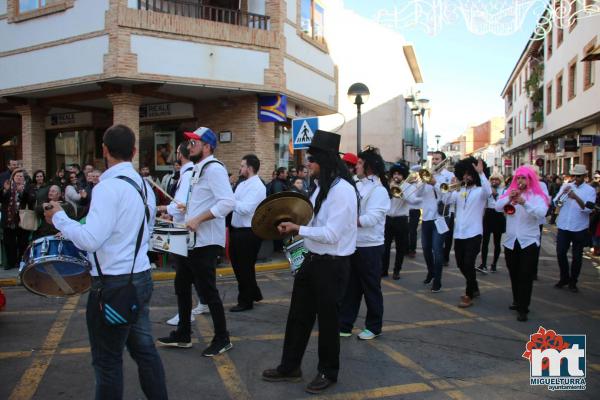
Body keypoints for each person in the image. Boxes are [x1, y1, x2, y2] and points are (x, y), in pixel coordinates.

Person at [44, 124, 167, 400]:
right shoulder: (144, 185)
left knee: (108, 361)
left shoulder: (107, 188)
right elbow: (146, 230)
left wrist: (60, 218)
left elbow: (90, 240)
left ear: (104, 150)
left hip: (112, 285)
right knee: (145, 351)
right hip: (140, 277)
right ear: (134, 151)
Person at [262, 130, 357, 394]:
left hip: (333, 264)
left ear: (325, 160)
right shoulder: (321, 188)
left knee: (328, 322)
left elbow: (332, 234)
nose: (308, 165)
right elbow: (312, 221)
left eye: (312, 160)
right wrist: (289, 223)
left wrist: (298, 229)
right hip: (312, 260)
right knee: (298, 316)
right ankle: (289, 366)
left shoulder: (343, 192)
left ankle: (328, 371)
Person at [157, 127, 235, 356]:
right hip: (191, 240)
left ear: (207, 146)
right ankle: (183, 333)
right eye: (189, 143)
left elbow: (227, 203)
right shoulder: (196, 170)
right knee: (181, 285)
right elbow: (196, 202)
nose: (189, 146)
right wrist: (176, 214)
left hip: (206, 242)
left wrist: (199, 219)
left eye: (194, 142)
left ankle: (222, 338)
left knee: (207, 290)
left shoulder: (214, 169)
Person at [339, 147, 390, 340]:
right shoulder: (357, 185)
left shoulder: (379, 190)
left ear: (368, 166)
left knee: (371, 288)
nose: (356, 166)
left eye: (359, 163)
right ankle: (345, 324)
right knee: (350, 287)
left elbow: (372, 218)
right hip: (354, 244)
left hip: (371, 247)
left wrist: (348, 221)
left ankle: (374, 326)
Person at [157, 142, 209, 326]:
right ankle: (202, 303)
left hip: (183, 231)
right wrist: (169, 210)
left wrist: (165, 208)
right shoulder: (189, 173)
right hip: (185, 229)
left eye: (177, 151)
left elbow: (181, 205)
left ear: (181, 155)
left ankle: (185, 314)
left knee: (183, 277)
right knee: (191, 274)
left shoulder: (188, 174)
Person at [495, 166, 549, 321]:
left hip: (529, 241)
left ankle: (523, 308)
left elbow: (541, 213)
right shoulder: (510, 191)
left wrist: (524, 203)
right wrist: (509, 198)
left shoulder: (537, 195)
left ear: (530, 179)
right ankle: (517, 300)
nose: (520, 181)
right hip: (511, 241)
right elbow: (498, 208)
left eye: (523, 178)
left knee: (525, 275)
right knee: (514, 273)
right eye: (518, 178)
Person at [446, 157, 490, 308]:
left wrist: (481, 173)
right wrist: (451, 186)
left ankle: (468, 294)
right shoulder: (459, 191)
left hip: (474, 233)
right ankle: (474, 286)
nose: (466, 177)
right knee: (460, 264)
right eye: (464, 174)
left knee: (468, 263)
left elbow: (488, 190)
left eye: (469, 174)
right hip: (459, 234)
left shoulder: (480, 192)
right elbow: (446, 200)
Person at [229, 154, 266, 312]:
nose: (240, 168)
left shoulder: (258, 187)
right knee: (240, 267)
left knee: (244, 267)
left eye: (243, 165)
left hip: (248, 233)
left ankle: (245, 301)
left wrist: (229, 202)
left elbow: (245, 209)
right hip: (236, 231)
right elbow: (234, 201)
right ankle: (254, 293)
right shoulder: (242, 184)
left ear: (250, 168)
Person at [553, 164, 596, 293]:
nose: (575, 178)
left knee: (577, 256)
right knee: (560, 253)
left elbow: (588, 209)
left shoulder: (590, 190)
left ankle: (573, 281)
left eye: (578, 176)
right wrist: (562, 194)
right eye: (574, 176)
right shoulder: (567, 186)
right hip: (564, 225)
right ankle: (564, 277)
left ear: (584, 176)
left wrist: (576, 197)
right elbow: (556, 203)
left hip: (579, 227)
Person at [382, 162, 421, 279]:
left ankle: (396, 270)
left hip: (401, 219)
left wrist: (400, 192)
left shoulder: (408, 186)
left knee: (400, 247)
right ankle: (383, 270)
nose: (396, 176)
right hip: (388, 219)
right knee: (385, 247)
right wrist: (390, 188)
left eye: (399, 174)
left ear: (403, 175)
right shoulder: (388, 185)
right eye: (394, 174)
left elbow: (411, 201)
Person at [420, 153, 453, 293]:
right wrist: (422, 181)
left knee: (437, 249)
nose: (434, 161)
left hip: (441, 217)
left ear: (443, 161)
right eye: (433, 159)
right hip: (426, 217)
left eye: (437, 159)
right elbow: (417, 194)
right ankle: (431, 272)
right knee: (426, 248)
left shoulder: (449, 176)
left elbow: (449, 197)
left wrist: (435, 183)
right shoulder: (426, 175)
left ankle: (437, 281)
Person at [1, 169, 30, 270]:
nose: (19, 178)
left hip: (22, 219)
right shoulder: (8, 186)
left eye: (21, 176)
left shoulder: (27, 187)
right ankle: (10, 262)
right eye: (17, 176)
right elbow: (2, 198)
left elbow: (31, 200)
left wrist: (22, 192)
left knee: (22, 242)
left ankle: (20, 261)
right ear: (13, 177)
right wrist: (5, 190)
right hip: (9, 220)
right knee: (9, 243)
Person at [477, 172, 506, 273]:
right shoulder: (487, 189)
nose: (494, 181)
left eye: (496, 179)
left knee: (497, 242)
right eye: (492, 180)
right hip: (489, 214)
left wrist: (496, 194)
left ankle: (494, 264)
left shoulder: (504, 190)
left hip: (498, 214)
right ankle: (483, 264)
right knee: (485, 241)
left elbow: (503, 204)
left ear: (500, 181)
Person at [407, 165, 422, 258]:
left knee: (412, 231)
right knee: (405, 231)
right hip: (405, 210)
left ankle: (412, 250)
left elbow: (421, 199)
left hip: (415, 210)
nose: (412, 176)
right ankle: (405, 249)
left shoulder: (419, 185)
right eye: (411, 174)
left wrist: (411, 199)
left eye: (414, 174)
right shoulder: (406, 184)